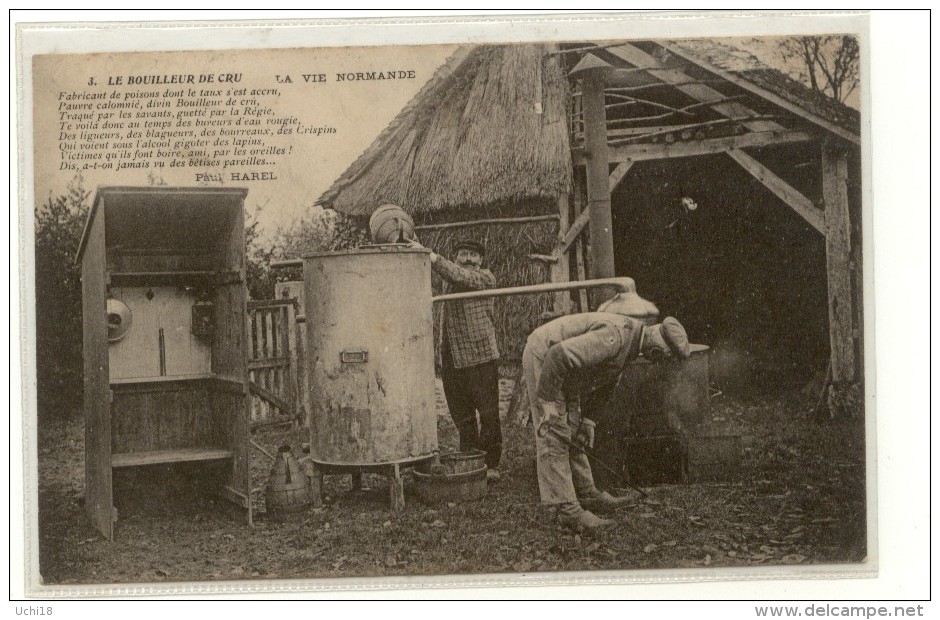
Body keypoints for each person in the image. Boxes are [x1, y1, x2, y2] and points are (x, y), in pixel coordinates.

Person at [522, 294, 690, 530]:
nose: (661, 360)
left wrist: (589, 421)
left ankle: (587, 494)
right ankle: (563, 509)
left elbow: (608, 381)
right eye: (666, 353)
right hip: (545, 356)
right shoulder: (615, 337)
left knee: (573, 426)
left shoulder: (632, 342)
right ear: (657, 335)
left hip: (566, 369)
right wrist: (547, 403)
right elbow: (558, 356)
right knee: (555, 434)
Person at [410, 237, 503, 481]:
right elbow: (444, 274)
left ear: (481, 260)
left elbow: (461, 276)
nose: (469, 259)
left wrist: (430, 255)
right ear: (456, 258)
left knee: (489, 413)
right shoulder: (447, 281)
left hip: (481, 356)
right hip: (452, 358)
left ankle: (491, 464)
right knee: (462, 414)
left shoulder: (484, 278)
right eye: (464, 254)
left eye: (474, 255)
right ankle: (470, 459)